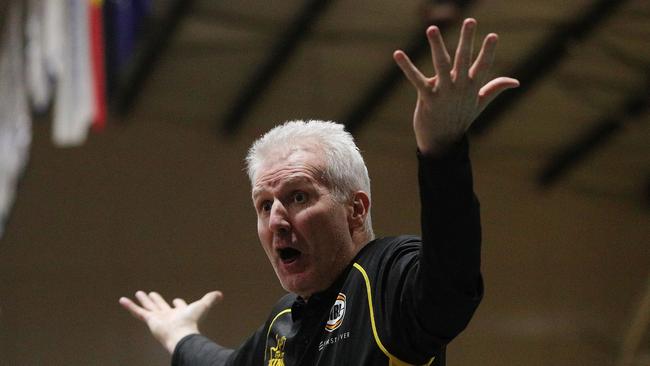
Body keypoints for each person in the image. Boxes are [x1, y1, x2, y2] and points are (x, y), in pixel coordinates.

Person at [119, 18, 519, 366]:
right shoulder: (284, 323)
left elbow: (452, 282)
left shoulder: (387, 277)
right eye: (263, 205)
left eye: (298, 197)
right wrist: (179, 335)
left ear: (356, 209)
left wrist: (442, 151)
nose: (276, 220)